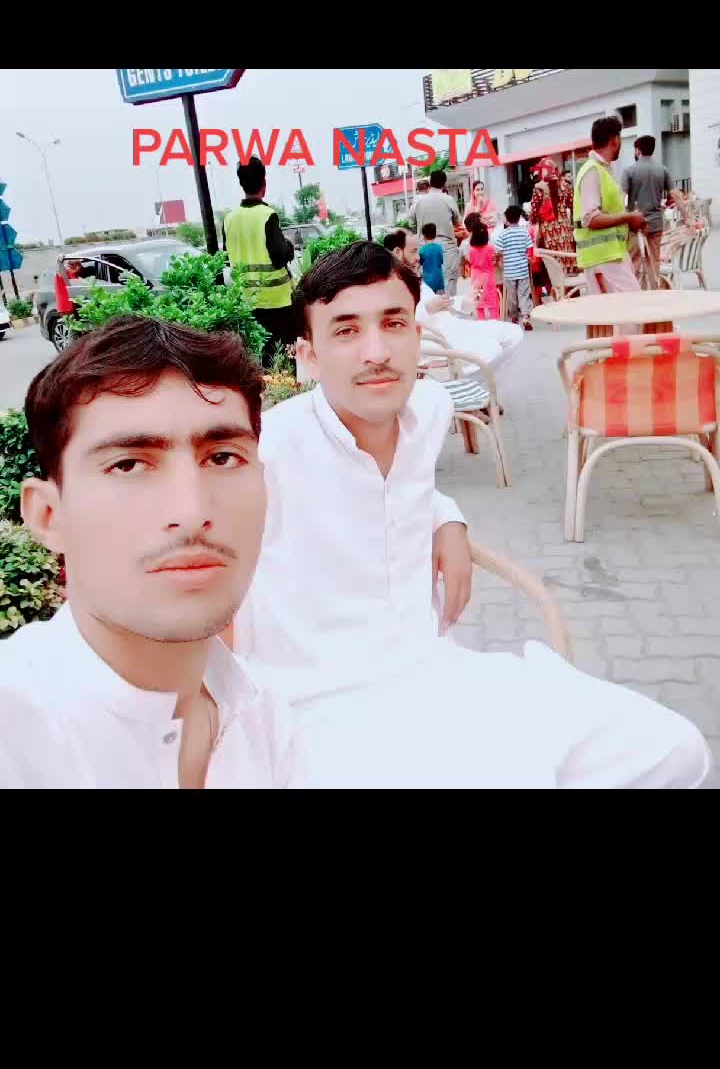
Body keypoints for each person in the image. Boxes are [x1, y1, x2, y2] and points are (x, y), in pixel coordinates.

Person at [232, 243, 708, 788]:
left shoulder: (429, 410)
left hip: (437, 676)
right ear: (309, 355)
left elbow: (402, 486)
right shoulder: (262, 454)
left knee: (674, 750)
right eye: (346, 331)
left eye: (393, 324)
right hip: (316, 709)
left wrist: (446, 517)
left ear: (417, 335)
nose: (376, 351)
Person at [0, 316, 303, 789]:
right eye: (128, 465)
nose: (192, 511)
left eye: (223, 457)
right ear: (48, 515)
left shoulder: (264, 718)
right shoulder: (16, 735)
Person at [384, 229, 523, 370]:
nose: (418, 257)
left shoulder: (413, 279)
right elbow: (395, 321)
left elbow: (439, 303)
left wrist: (466, 300)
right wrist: (427, 308)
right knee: (492, 350)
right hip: (438, 338)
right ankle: (467, 379)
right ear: (397, 252)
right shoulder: (388, 286)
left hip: (454, 326)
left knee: (514, 333)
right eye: (413, 251)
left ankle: (481, 378)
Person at [223, 155, 296, 366]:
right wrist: (289, 246)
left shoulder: (229, 219)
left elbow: (226, 257)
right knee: (282, 358)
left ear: (241, 184)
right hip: (276, 300)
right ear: (264, 183)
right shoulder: (267, 215)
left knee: (257, 357)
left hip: (246, 301)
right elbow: (279, 256)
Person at [574, 117, 647, 295]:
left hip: (609, 256)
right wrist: (629, 217)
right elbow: (590, 218)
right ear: (614, 140)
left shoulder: (601, 170)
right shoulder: (593, 171)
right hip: (604, 259)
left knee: (619, 310)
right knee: (634, 306)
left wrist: (629, 221)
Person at [621, 136, 674, 291]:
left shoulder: (629, 171)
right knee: (653, 262)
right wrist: (687, 218)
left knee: (633, 262)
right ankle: (654, 292)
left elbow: (621, 197)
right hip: (656, 223)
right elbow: (675, 194)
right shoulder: (663, 170)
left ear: (638, 150)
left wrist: (619, 218)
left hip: (634, 224)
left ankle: (633, 293)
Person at [409, 170, 462, 297]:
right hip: (447, 249)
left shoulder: (418, 201)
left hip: (424, 248)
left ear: (430, 182)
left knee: (427, 287)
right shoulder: (448, 200)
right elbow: (457, 222)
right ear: (444, 184)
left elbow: (411, 223)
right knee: (448, 286)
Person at [495, 206, 534, 330]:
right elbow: (530, 249)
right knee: (524, 294)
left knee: (512, 296)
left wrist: (498, 259)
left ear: (506, 219)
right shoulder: (524, 232)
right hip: (522, 270)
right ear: (519, 218)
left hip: (509, 271)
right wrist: (527, 257)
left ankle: (514, 316)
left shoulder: (503, 234)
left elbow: (498, 251)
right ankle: (526, 316)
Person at [529, 157, 575, 257]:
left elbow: (533, 216)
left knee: (551, 262)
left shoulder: (538, 188)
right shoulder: (565, 186)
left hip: (548, 234)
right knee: (567, 257)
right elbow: (573, 208)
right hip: (565, 232)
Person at [468, 222, 500, 320]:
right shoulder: (490, 249)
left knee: (479, 301)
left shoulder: (471, 250)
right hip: (488, 278)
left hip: (476, 279)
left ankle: (481, 321)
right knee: (492, 301)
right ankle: (494, 320)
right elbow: (494, 263)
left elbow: (470, 262)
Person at [419, 223, 445, 293]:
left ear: (424, 236)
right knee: (440, 297)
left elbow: (420, 263)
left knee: (429, 297)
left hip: (427, 280)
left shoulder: (422, 250)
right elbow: (441, 261)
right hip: (439, 279)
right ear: (435, 235)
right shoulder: (439, 247)